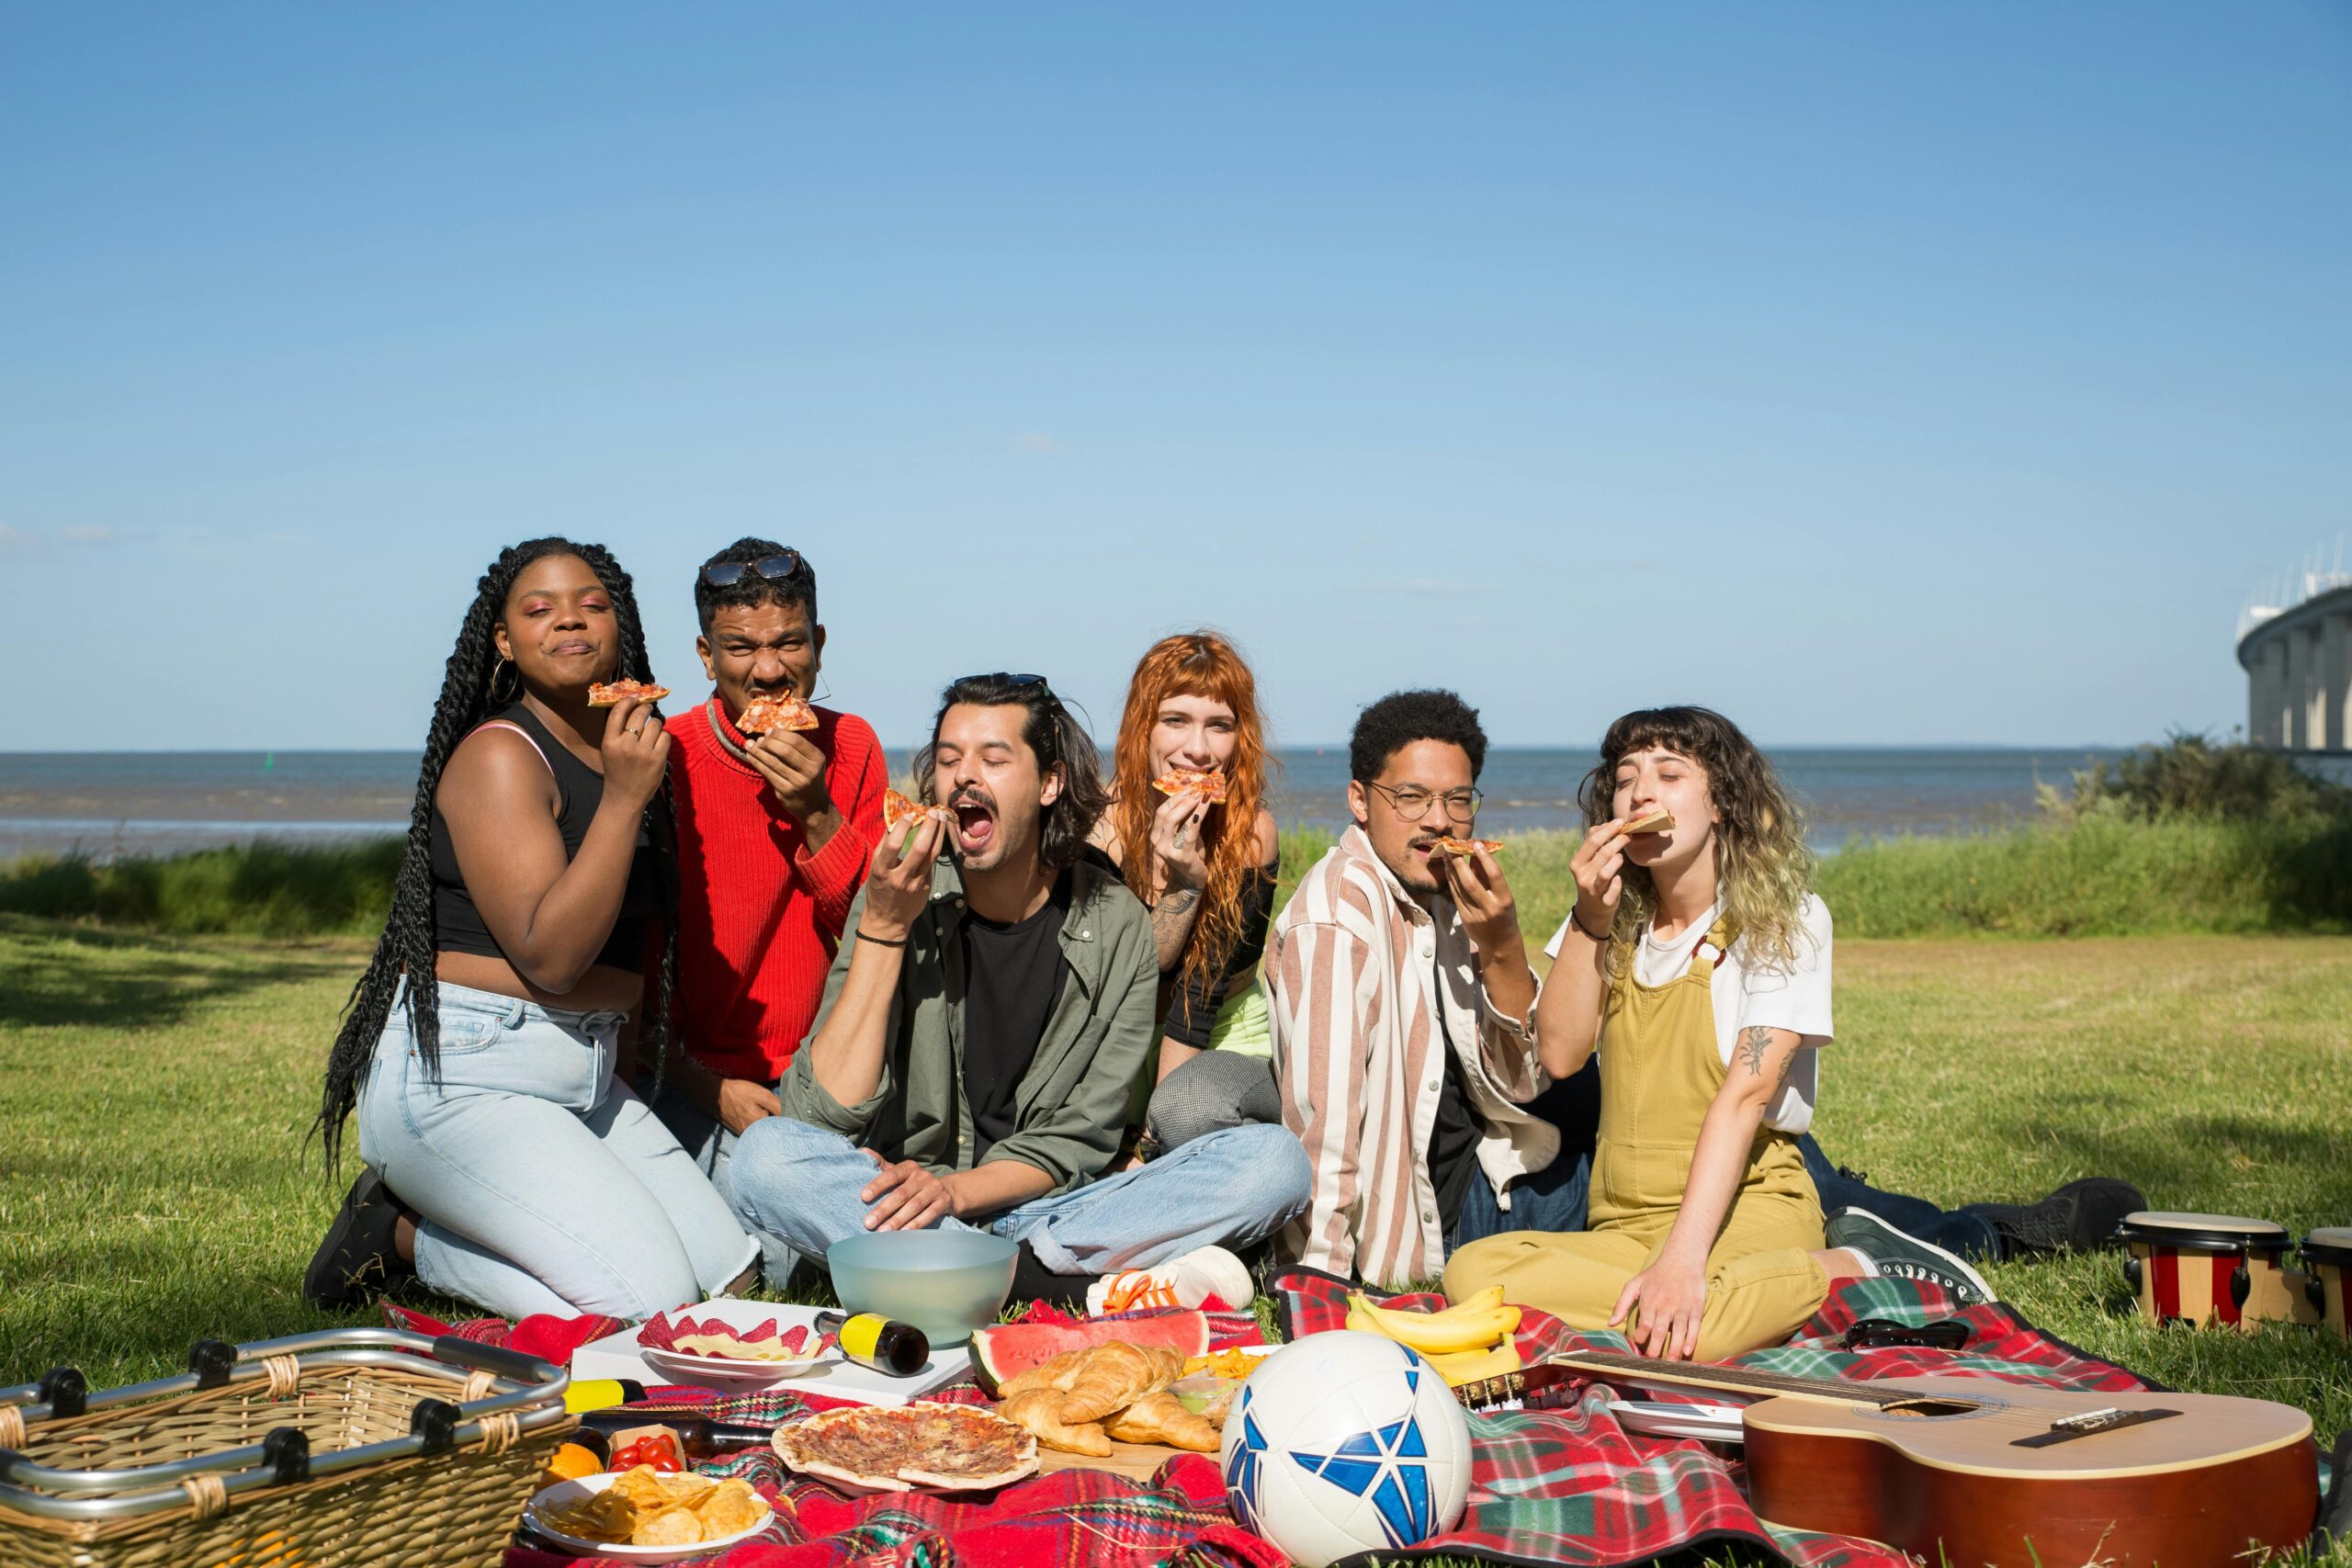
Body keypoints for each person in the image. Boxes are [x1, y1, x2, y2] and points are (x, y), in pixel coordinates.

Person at [726, 672, 1314, 1312]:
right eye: (949, 759)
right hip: (909, 1196)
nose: (963, 777)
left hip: (1049, 1210)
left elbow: (1079, 1139)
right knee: (765, 1156)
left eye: (993, 758)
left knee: (1273, 1162)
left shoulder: (1114, 921)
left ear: (1050, 783)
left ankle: (957, 1273)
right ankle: (1053, 1286)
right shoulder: (898, 894)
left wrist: (957, 1196)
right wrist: (885, 926)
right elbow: (822, 1112)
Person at [303, 538, 759, 1319]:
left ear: (622, 626)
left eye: (592, 603)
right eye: (538, 609)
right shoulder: (502, 759)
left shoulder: (630, 749)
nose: (570, 621)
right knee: (646, 1304)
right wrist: (621, 799)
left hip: (582, 1073)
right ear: (505, 642)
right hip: (470, 1075)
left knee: (731, 1278)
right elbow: (550, 955)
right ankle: (405, 1233)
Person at [1443, 707, 1979, 1359]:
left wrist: (1683, 1261)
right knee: (1470, 1274)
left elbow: (1748, 1095)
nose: (1641, 793)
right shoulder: (1614, 924)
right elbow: (1558, 1052)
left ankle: (1856, 1262)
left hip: (1747, 1211)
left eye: (1670, 774)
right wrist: (1590, 916)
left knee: (1701, 1329)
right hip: (1626, 1225)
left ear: (1723, 801)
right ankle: (1661, 1300)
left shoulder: (1785, 922)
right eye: (1625, 779)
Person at [1266, 689, 1594, 1288]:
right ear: (1359, 800)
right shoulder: (1339, 919)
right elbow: (1322, 1121)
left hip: (1486, 1160)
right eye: (1411, 797)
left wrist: (1501, 945)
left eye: (1457, 799)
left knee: (1612, 1085)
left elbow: (1520, 1079)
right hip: (1437, 1224)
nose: (1438, 820)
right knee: (1648, 1178)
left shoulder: (1440, 893)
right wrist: (1321, 1284)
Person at [640, 539, 887, 1201]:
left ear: (820, 642)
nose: (771, 671)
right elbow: (636, 966)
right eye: (742, 647)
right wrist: (705, 1086)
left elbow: (877, 933)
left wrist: (815, 812)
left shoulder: (853, 745)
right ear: (706, 655)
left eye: (790, 643)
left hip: (824, 1075)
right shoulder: (666, 756)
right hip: (689, 1076)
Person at [1084, 631, 1285, 1163]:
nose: (1197, 749)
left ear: (1239, 738)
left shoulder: (1251, 834)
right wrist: (1181, 886)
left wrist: (1151, 1141)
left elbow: (1199, 999)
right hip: (1114, 1029)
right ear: (1140, 728)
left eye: (1218, 725)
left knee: (1183, 1113)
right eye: (1176, 720)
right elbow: (1114, 983)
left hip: (1218, 1038)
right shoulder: (1094, 828)